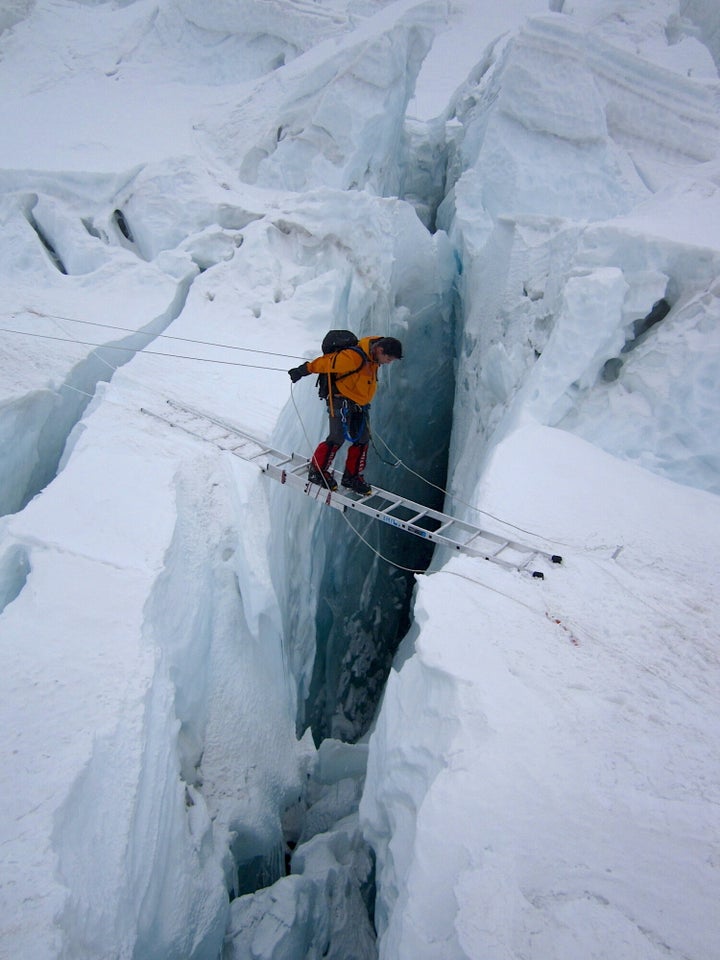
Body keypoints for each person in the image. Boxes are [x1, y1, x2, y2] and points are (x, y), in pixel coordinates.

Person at [288, 335, 403, 494]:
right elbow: (323, 364)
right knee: (336, 437)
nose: (389, 362)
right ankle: (317, 472)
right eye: (388, 358)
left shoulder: (373, 358)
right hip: (340, 401)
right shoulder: (353, 357)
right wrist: (302, 371)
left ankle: (352, 477)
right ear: (379, 349)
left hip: (359, 405)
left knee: (362, 439)